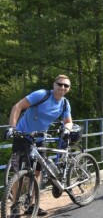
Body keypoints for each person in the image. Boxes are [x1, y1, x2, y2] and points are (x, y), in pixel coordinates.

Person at [5, 74, 74, 216]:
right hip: (22, 136)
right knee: (18, 173)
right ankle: (15, 206)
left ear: (69, 88)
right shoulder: (41, 95)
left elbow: (68, 120)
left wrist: (67, 129)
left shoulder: (65, 103)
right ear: (54, 85)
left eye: (66, 85)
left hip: (40, 138)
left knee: (37, 172)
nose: (62, 87)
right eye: (59, 84)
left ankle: (31, 205)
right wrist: (12, 127)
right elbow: (17, 107)